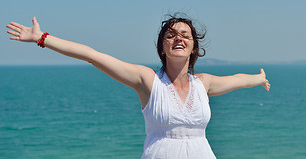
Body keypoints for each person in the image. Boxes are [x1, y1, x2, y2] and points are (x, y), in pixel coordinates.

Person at [6, 14, 270, 158]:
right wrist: (42, 38)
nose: (178, 37)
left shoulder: (204, 83)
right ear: (163, 48)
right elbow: (92, 55)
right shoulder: (147, 81)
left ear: (193, 48)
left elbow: (238, 80)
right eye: (171, 35)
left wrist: (259, 78)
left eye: (185, 35)